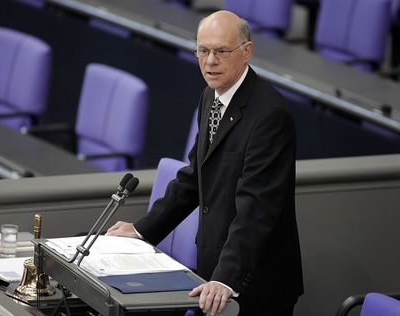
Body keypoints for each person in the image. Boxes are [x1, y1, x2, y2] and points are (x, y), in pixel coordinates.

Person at [106, 10, 303, 316]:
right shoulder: (210, 96)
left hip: (254, 283)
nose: (210, 61)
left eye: (221, 51)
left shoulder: (269, 116)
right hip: (213, 275)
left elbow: (256, 208)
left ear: (247, 52)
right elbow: (193, 178)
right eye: (202, 50)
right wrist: (142, 230)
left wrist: (225, 278)